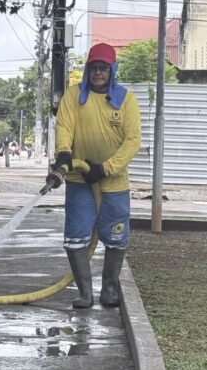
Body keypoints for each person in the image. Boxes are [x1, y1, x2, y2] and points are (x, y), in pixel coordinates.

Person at [46, 42, 142, 308]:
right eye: (94, 67)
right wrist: (64, 155)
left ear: (112, 70)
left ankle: (109, 291)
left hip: (114, 183)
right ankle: (85, 294)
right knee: (76, 237)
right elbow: (64, 127)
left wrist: (105, 168)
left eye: (104, 68)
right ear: (87, 70)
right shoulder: (74, 96)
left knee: (116, 237)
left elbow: (132, 141)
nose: (98, 72)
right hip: (79, 181)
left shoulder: (126, 100)